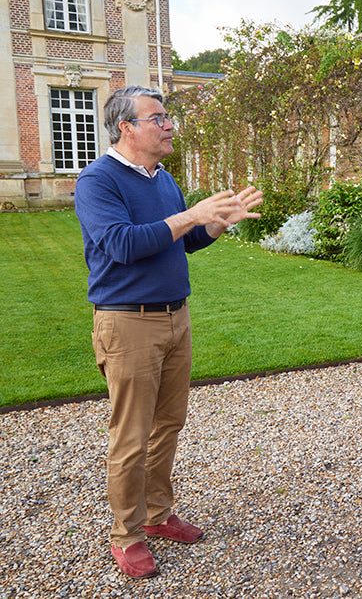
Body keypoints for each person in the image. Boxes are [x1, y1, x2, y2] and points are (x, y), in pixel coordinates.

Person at [74, 86, 263, 579]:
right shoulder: (97, 180)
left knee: (168, 425)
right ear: (126, 128)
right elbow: (121, 244)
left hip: (176, 317)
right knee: (131, 436)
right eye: (157, 118)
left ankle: (157, 515)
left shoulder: (163, 179)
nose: (169, 125)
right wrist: (191, 214)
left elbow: (185, 240)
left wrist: (215, 223)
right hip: (128, 321)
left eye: (167, 117)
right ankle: (126, 535)